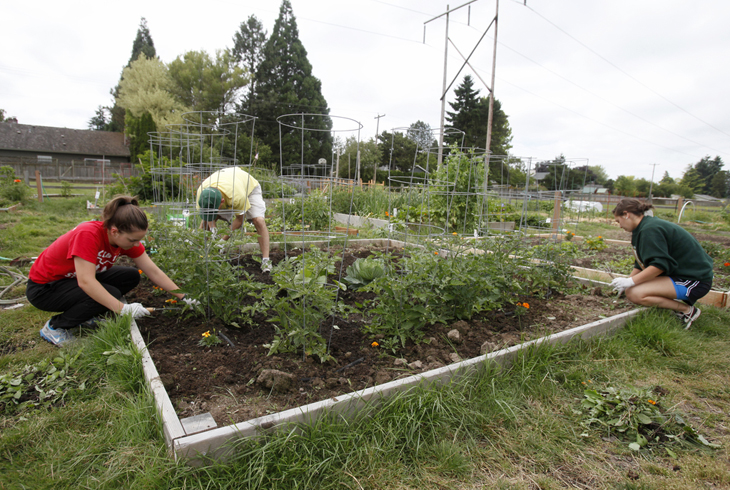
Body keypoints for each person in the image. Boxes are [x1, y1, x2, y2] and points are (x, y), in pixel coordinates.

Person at [26, 195, 197, 346]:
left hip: (69, 281)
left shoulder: (124, 239)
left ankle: (85, 315)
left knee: (130, 277)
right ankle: (55, 326)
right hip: (45, 289)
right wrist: (122, 309)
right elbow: (86, 281)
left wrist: (184, 296)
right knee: (107, 295)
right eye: (133, 240)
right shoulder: (88, 234)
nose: (137, 244)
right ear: (114, 231)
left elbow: (153, 270)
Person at [609, 198, 713, 329]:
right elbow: (640, 263)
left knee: (635, 293)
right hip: (680, 275)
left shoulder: (650, 230)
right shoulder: (642, 228)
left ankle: (686, 310)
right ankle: (673, 301)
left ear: (626, 214)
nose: (619, 225)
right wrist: (628, 281)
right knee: (633, 288)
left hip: (695, 280)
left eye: (618, 221)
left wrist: (631, 282)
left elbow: (659, 266)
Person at [196, 166, 271, 272]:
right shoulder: (201, 194)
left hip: (248, 187)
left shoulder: (237, 197)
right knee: (204, 223)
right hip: (227, 181)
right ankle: (199, 256)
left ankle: (266, 260)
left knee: (258, 220)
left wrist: (222, 241)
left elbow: (239, 221)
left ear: (222, 201)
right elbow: (207, 214)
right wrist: (213, 231)